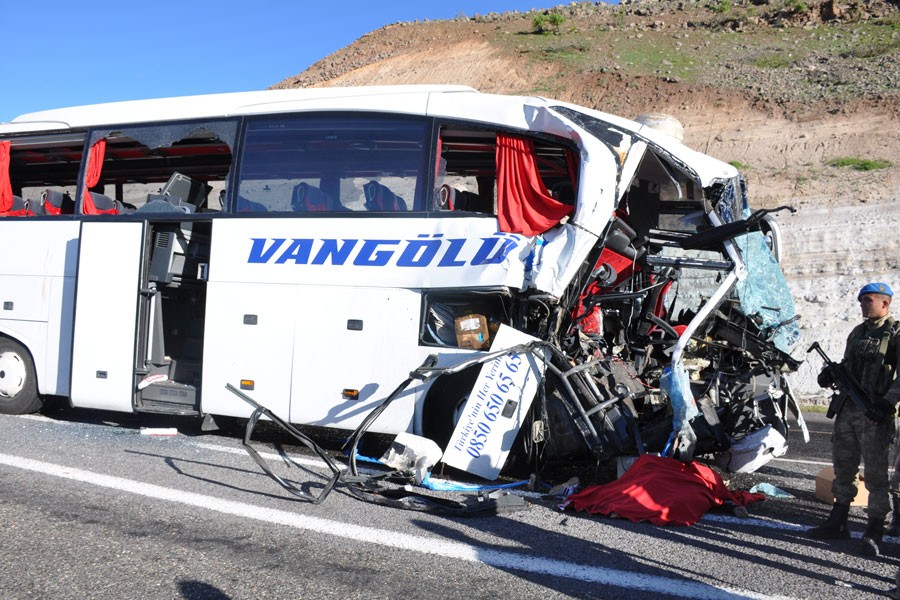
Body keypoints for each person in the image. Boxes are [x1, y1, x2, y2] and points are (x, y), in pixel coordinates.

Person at [808, 282, 900, 557]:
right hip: (848, 410)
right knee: (843, 465)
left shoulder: (894, 334)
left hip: (874, 412)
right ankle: (838, 520)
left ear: (885, 303)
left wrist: (886, 404)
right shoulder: (857, 332)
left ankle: (874, 529)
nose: (862, 305)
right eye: (861, 300)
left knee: (875, 473)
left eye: (867, 300)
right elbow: (849, 365)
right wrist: (831, 375)